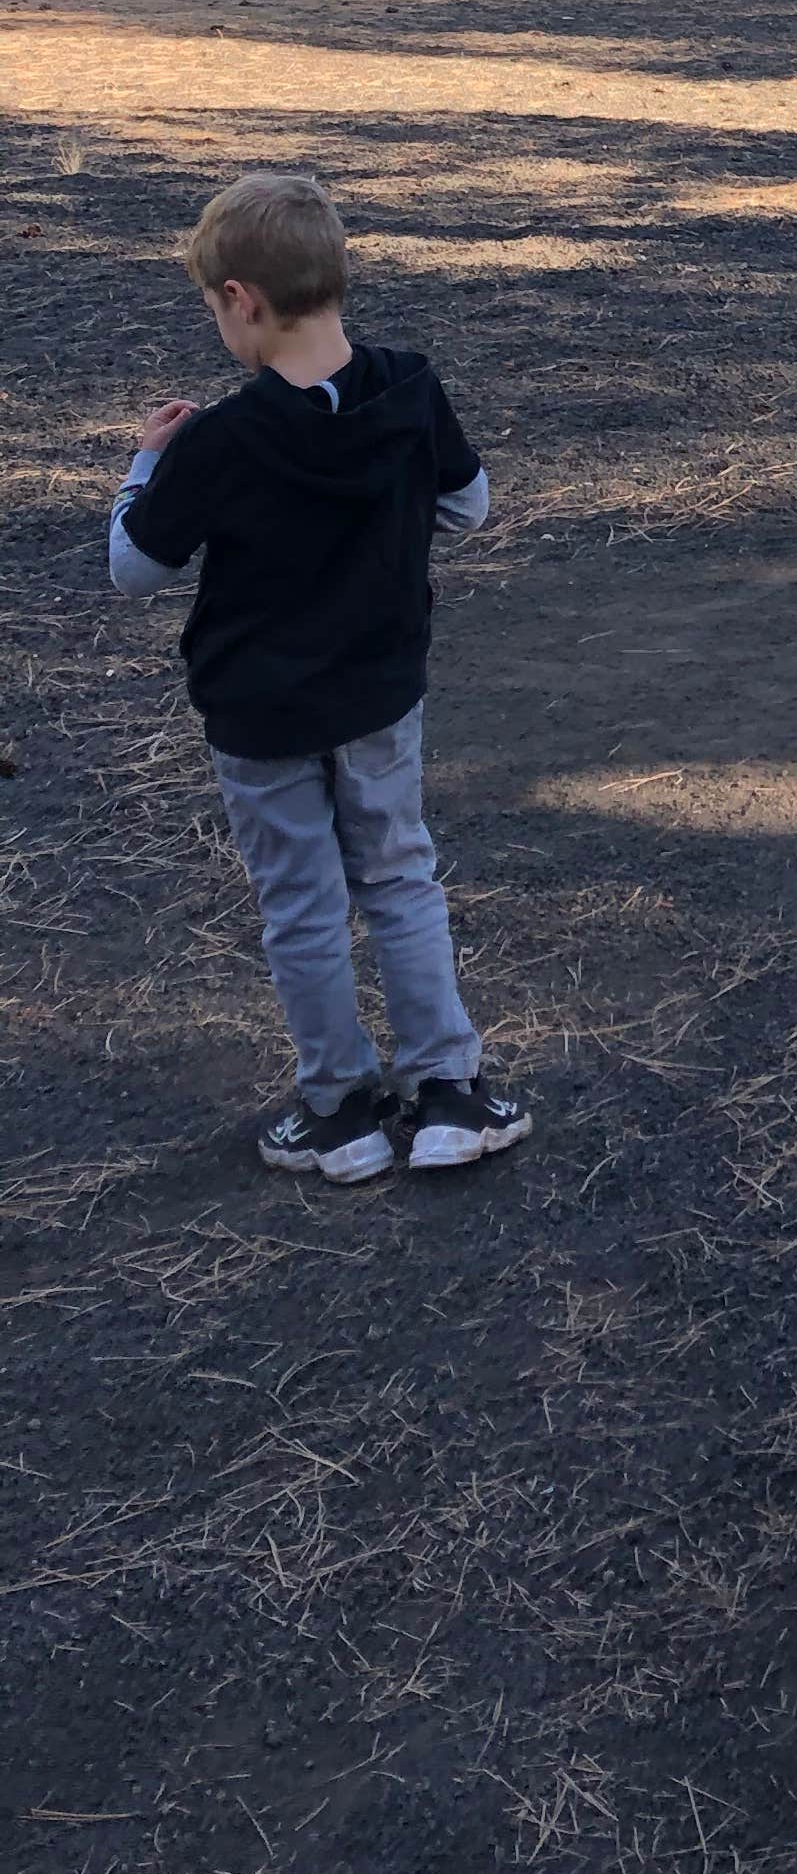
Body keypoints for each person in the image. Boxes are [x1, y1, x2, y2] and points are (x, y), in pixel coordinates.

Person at [108, 167, 529, 1185]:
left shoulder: (221, 438)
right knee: (398, 873)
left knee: (300, 902)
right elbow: (469, 507)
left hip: (259, 714)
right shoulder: (409, 389)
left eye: (215, 308)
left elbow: (135, 568)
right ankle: (448, 1093)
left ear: (241, 302)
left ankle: (338, 1109)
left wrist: (143, 466)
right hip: (379, 693)